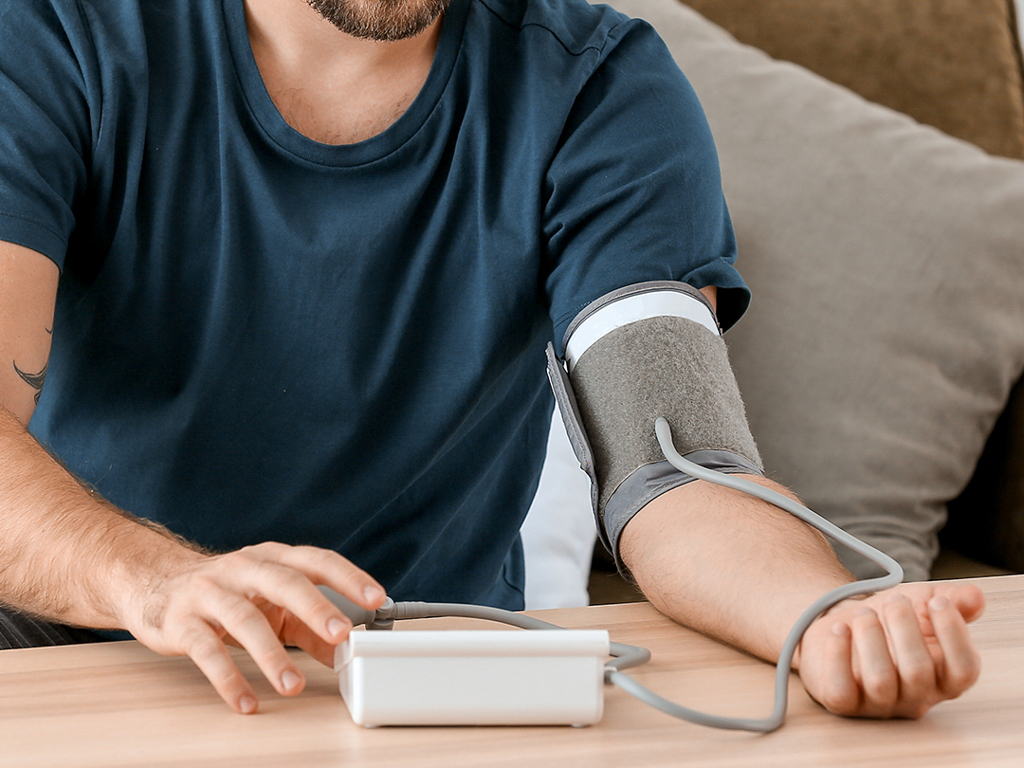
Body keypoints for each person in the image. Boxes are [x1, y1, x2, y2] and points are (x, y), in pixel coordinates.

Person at [0, 0, 983, 720]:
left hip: (426, 698)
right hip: (72, 676)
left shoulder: (599, 89)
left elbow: (679, 472)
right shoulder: (55, 36)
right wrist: (155, 580)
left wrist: (819, 619)